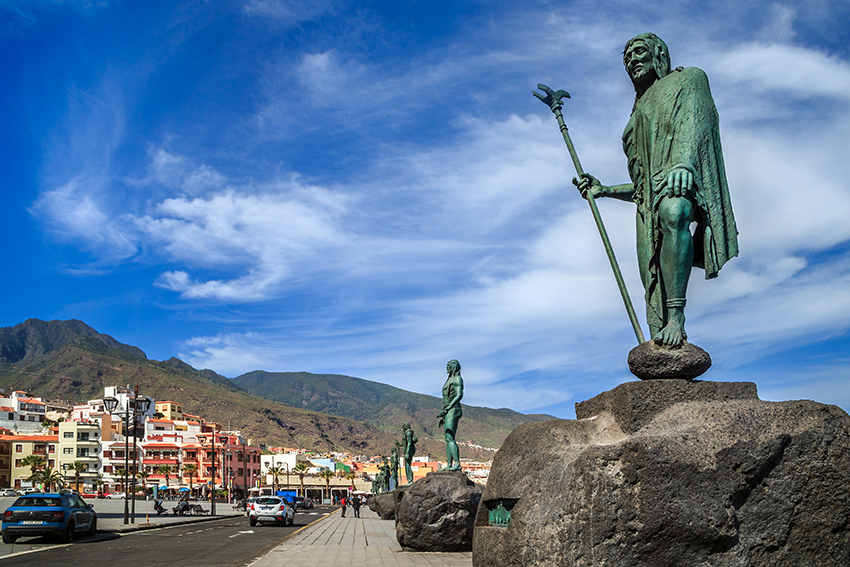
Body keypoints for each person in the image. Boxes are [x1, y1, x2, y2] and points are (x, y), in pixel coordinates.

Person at [575, 33, 738, 348]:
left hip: (681, 177)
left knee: (674, 211)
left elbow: (699, 124)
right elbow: (642, 188)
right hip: (648, 205)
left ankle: (678, 317)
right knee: (652, 293)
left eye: (639, 52)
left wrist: (684, 165)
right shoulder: (637, 111)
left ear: (658, 53)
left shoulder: (689, 79)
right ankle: (663, 333)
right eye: (627, 58)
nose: (632, 60)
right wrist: (605, 190)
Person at [437, 359, 463, 471]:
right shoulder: (449, 380)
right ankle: (449, 464)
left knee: (450, 437)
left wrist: (449, 408)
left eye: (448, 366)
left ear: (454, 367)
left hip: (453, 409)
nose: (446, 368)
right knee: (447, 438)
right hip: (448, 410)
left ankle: (457, 464)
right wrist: (444, 415)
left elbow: (459, 395)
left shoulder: (457, 379)